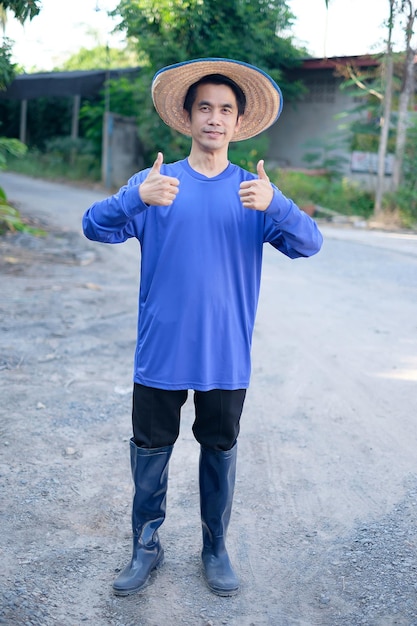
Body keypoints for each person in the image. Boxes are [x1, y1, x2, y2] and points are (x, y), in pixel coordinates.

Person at [82, 57, 323, 598]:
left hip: (224, 356)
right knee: (150, 450)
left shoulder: (253, 193)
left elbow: (310, 244)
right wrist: (133, 196)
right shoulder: (157, 185)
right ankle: (145, 545)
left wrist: (278, 204)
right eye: (205, 108)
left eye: (226, 110)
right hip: (161, 353)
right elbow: (92, 226)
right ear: (188, 118)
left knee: (220, 450)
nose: (215, 118)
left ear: (238, 124)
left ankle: (215, 546)